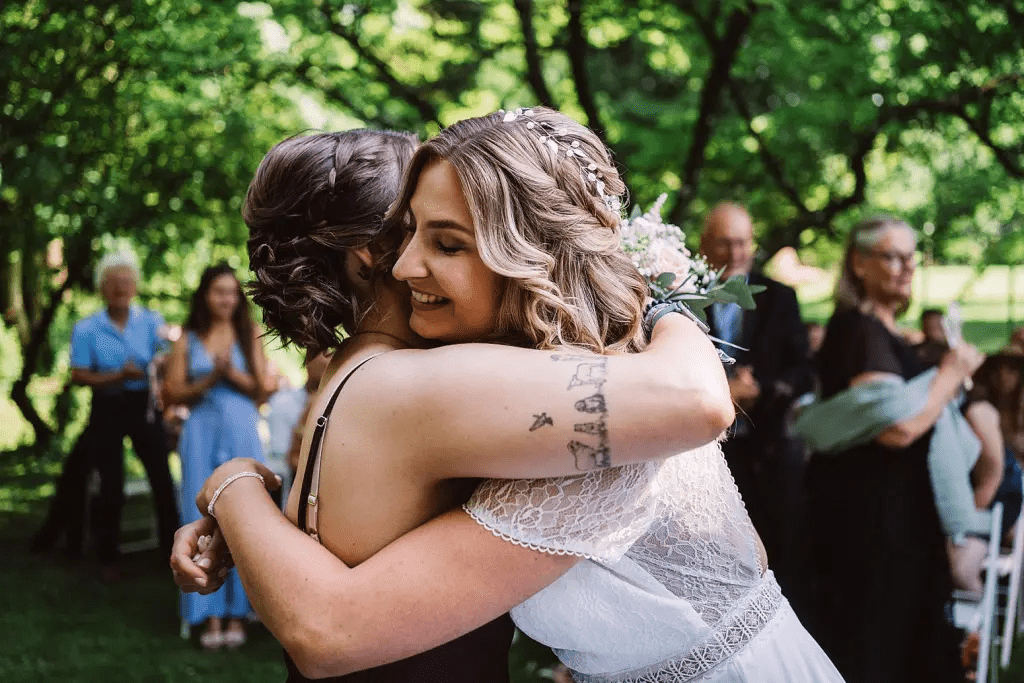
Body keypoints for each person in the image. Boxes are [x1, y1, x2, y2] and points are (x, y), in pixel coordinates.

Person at [173, 110, 843, 682]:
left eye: (444, 239)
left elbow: (707, 440)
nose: (409, 265)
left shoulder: (378, 375)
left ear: (522, 250)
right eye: (407, 232)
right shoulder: (438, 383)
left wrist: (235, 488)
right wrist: (239, 489)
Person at [799, 216, 984, 682]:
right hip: (869, 522)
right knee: (875, 646)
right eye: (892, 256)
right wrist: (948, 375)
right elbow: (897, 429)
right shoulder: (858, 330)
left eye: (911, 256)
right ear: (859, 264)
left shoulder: (888, 334)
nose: (906, 267)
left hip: (899, 518)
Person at [31, 250, 179, 581]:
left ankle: (173, 550)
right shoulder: (87, 328)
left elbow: (168, 360)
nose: (121, 289)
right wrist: (117, 376)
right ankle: (108, 555)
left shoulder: (152, 322)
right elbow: (79, 375)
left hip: (143, 406)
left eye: (127, 282)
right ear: (102, 288)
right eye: (114, 283)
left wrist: (163, 362)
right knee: (110, 483)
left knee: (162, 477)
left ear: (135, 286)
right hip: (108, 407)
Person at [698, 202, 814, 616]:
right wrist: (722, 389)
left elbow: (803, 368)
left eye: (742, 243)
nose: (734, 253)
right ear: (704, 244)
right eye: (724, 243)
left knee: (777, 550)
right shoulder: (680, 295)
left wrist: (762, 388)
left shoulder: (781, 298)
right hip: (704, 452)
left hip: (766, 449)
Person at [163, 262, 270, 650]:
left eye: (231, 292)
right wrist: (209, 378)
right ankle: (207, 614)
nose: (226, 298)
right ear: (205, 295)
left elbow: (262, 389)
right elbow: (172, 393)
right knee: (197, 516)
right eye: (218, 291)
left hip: (242, 427)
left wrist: (229, 374)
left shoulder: (249, 333)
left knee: (245, 517)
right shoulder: (189, 336)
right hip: (201, 431)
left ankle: (238, 613)